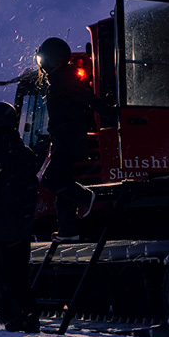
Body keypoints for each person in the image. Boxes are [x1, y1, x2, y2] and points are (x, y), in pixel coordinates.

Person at [36, 37, 115, 241]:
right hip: (63, 141)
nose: (42, 64)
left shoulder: (64, 81)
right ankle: (68, 230)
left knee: (50, 179)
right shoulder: (59, 80)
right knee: (63, 186)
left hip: (68, 142)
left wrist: (110, 113)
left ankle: (85, 196)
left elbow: (88, 98)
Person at [0, 102, 40, 333]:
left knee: (5, 274)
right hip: (22, 225)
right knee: (21, 273)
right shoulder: (27, 155)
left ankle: (14, 316)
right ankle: (29, 317)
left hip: (1, 228)